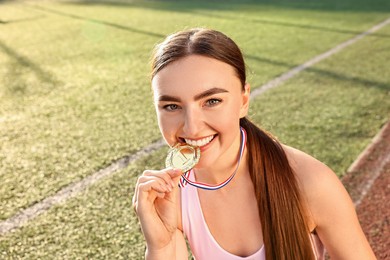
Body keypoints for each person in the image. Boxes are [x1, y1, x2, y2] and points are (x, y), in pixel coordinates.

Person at [132, 28, 375, 260]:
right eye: (171, 106)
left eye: (212, 101)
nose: (192, 127)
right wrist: (160, 246)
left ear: (243, 100)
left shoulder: (310, 182)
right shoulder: (171, 194)